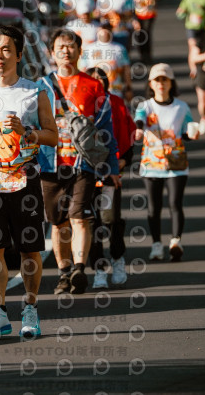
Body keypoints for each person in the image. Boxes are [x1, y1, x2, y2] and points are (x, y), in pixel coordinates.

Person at [0, 26, 58, 338]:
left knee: (29, 250)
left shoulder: (35, 92)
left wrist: (26, 132)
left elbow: (53, 136)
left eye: (6, 49)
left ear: (19, 55)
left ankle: (30, 309)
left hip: (25, 179)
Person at [37, 28, 121, 295]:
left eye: (71, 46)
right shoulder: (40, 87)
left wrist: (112, 168)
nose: (66, 51)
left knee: (79, 217)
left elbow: (106, 130)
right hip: (49, 164)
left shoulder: (93, 86)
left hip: (82, 164)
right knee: (58, 223)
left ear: (79, 51)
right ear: (52, 52)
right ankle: (64, 273)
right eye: (60, 47)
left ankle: (79, 269)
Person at [134, 64, 199, 262]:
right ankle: (156, 245)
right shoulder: (145, 106)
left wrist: (192, 134)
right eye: (157, 80)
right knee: (154, 207)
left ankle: (175, 241)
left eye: (165, 79)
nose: (161, 83)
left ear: (171, 83)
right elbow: (139, 120)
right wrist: (139, 130)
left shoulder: (181, 107)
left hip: (176, 163)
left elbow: (186, 131)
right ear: (151, 84)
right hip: (151, 164)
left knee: (175, 203)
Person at [85, 67, 136, 289]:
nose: (97, 82)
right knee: (91, 223)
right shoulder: (80, 104)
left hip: (110, 172)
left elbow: (127, 133)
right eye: (92, 79)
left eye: (101, 79)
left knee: (111, 219)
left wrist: (123, 160)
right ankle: (98, 269)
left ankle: (117, 258)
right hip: (85, 173)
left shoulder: (115, 102)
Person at [78, 23, 133, 102]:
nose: (105, 32)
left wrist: (128, 88)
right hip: (93, 92)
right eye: (102, 29)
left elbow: (126, 69)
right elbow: (82, 70)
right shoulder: (88, 49)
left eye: (107, 29)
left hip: (115, 92)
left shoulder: (120, 48)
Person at [125, 0, 164, 64]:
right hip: (137, 13)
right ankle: (142, 54)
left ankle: (147, 55)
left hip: (149, 13)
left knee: (147, 33)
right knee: (139, 34)